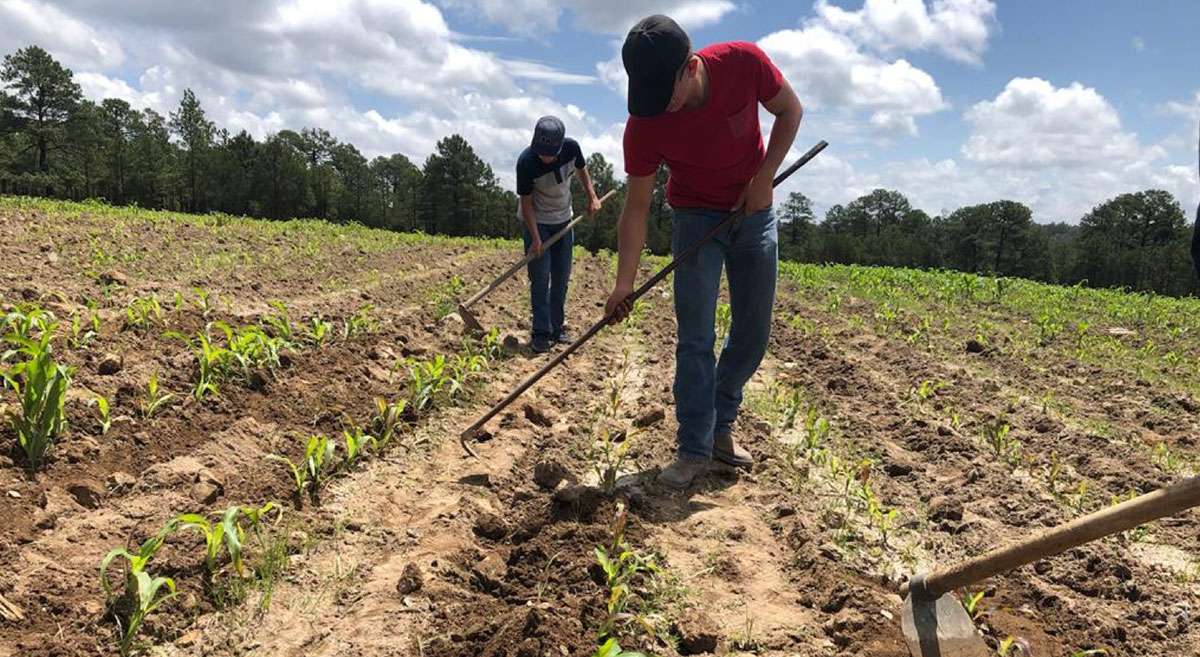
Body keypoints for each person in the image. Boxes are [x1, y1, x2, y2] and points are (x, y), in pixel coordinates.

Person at [604, 15, 803, 488]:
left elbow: (790, 111)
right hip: (695, 217)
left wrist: (764, 178)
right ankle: (694, 445)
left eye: (664, 94)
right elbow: (635, 209)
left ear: (690, 69)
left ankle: (721, 422)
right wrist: (623, 284)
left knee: (753, 332)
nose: (659, 109)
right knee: (696, 338)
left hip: (753, 212)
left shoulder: (743, 63)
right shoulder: (646, 124)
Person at [517, 116, 602, 353]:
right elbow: (526, 205)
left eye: (550, 153)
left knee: (561, 277)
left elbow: (582, 171)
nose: (546, 157)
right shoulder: (526, 163)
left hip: (564, 219)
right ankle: (541, 332)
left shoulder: (572, 148)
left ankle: (556, 328)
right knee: (541, 278)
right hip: (537, 221)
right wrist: (535, 239)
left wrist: (592, 196)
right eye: (542, 152)